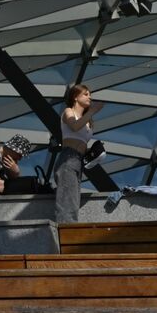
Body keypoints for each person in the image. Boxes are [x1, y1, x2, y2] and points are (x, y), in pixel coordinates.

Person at [57, 83, 102, 223]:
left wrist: (94, 150)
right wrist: (92, 112)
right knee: (67, 199)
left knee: (74, 198)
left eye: (90, 94)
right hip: (68, 157)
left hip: (79, 159)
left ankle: (70, 228)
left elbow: (80, 139)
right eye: (86, 94)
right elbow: (75, 126)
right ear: (75, 97)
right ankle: (66, 231)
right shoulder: (68, 111)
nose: (90, 97)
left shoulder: (88, 121)